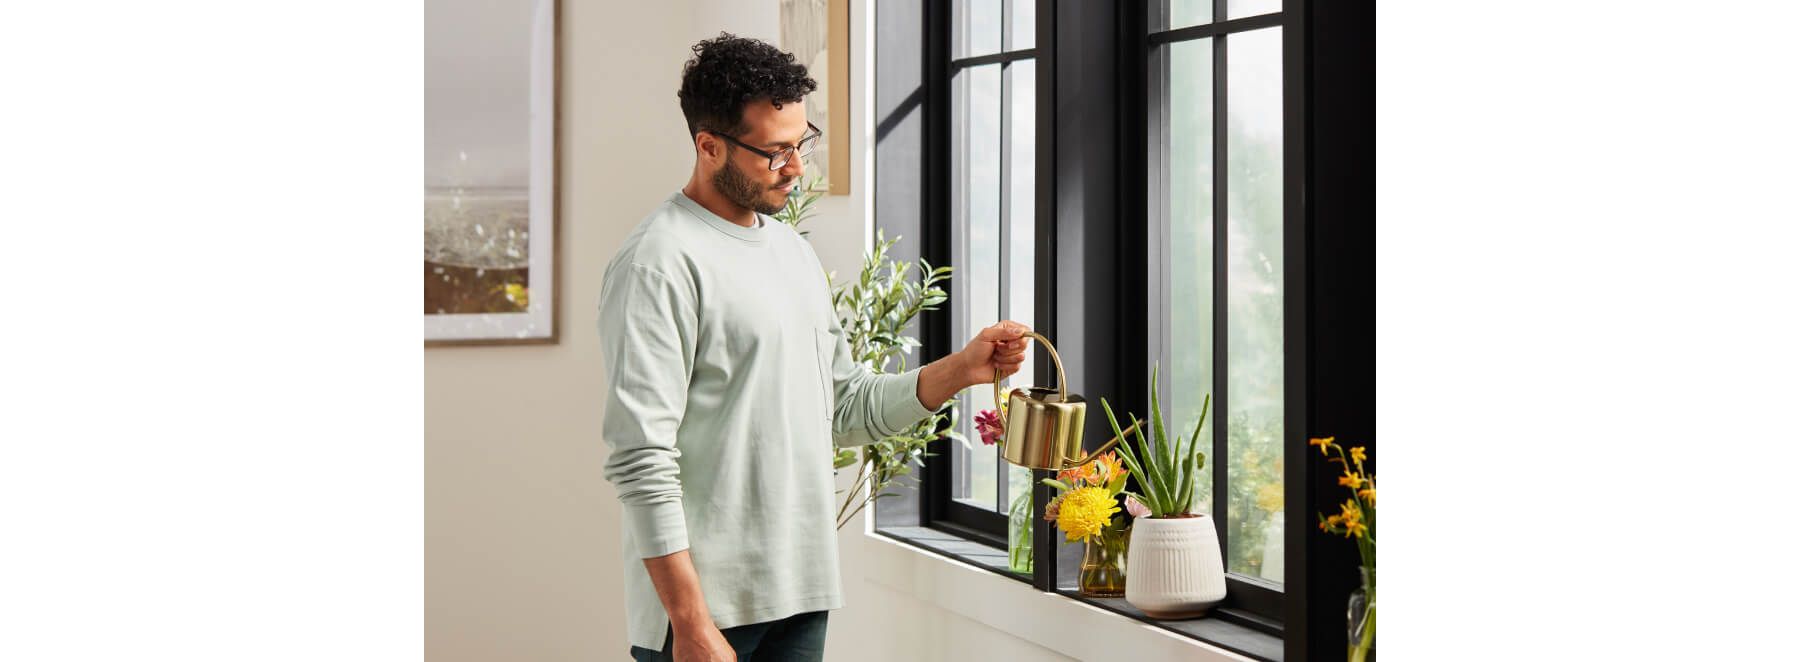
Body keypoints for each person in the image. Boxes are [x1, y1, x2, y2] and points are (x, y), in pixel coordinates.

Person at [597, 33, 1031, 662]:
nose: (797, 167)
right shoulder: (658, 263)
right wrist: (689, 622)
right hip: (705, 616)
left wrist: (963, 369)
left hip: (800, 595)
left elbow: (846, 406)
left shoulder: (790, 252)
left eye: (802, 143)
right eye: (774, 152)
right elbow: (640, 457)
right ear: (709, 145)